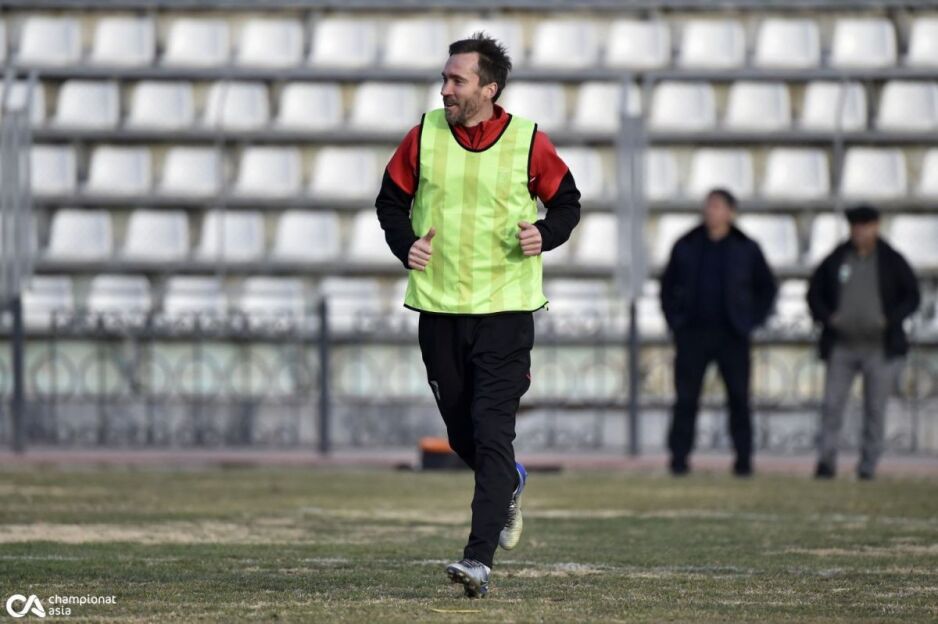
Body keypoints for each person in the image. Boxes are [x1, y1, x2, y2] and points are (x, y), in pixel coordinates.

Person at [375, 33, 581, 598]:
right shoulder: (423, 135)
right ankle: (510, 482)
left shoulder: (528, 141)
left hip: (506, 312)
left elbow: (568, 203)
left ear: (489, 89)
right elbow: (389, 201)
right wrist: (404, 244)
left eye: (457, 80)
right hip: (439, 309)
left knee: (492, 431)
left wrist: (545, 234)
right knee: (463, 434)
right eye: (444, 78)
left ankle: (478, 560)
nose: (445, 89)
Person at [659, 188, 777, 477]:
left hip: (732, 335)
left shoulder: (746, 247)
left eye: (717, 206)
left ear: (730, 212)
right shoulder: (686, 244)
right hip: (693, 335)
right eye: (708, 206)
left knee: (738, 398)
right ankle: (679, 459)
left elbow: (767, 288)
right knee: (686, 398)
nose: (710, 211)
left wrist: (751, 321)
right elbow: (667, 287)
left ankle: (743, 460)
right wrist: (675, 322)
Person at [807, 205, 920, 480]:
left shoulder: (891, 260)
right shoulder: (837, 258)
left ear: (876, 227)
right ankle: (826, 462)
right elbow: (814, 293)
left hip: (879, 347)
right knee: (832, 405)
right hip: (842, 345)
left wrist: (890, 319)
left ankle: (868, 465)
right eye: (855, 226)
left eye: (865, 225)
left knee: (875, 408)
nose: (859, 231)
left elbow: (912, 296)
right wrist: (829, 318)